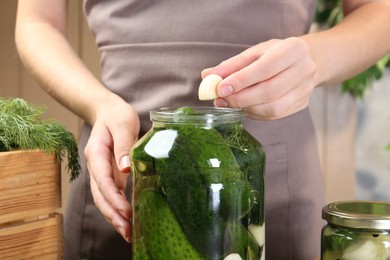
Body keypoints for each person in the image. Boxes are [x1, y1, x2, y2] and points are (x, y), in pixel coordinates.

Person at [15, 0, 390, 259]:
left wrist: (316, 58)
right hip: (124, 167)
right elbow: (36, 21)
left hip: (272, 180)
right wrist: (100, 106)